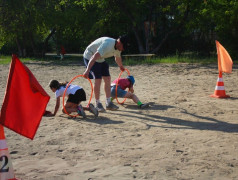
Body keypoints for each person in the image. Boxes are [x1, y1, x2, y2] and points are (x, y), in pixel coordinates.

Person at [83, 35, 128, 112]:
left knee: (107, 78)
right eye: (123, 47)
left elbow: (117, 57)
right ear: (119, 43)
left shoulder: (118, 47)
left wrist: (121, 66)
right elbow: (94, 57)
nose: (123, 50)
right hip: (90, 56)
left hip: (100, 59)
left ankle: (108, 103)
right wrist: (87, 70)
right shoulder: (107, 44)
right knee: (98, 79)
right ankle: (98, 104)